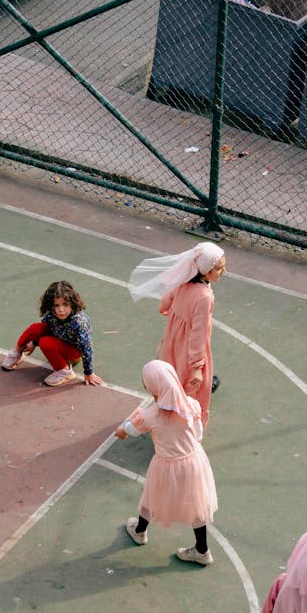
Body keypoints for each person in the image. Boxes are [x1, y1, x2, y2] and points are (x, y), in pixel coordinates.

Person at [114, 360, 217, 566]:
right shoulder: (191, 404)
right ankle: (202, 550)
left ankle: (140, 531)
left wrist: (121, 429)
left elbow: (126, 431)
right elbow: (198, 434)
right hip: (194, 461)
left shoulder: (149, 415)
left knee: (151, 497)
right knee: (197, 505)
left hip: (166, 464)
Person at [128, 242, 226, 430]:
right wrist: (198, 366)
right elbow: (198, 334)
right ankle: (189, 426)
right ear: (205, 271)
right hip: (190, 348)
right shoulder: (205, 296)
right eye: (219, 268)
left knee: (173, 377)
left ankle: (170, 411)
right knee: (193, 384)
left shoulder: (183, 282)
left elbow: (164, 304)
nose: (224, 271)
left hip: (172, 341)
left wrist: (177, 317)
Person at [1, 280, 103, 385]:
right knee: (35, 328)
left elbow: (87, 349)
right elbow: (43, 329)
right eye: (56, 305)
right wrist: (33, 343)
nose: (61, 310)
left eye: (65, 304)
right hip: (58, 338)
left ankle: (65, 371)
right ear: (51, 305)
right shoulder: (51, 314)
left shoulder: (78, 322)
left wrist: (89, 373)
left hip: (73, 352)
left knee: (45, 342)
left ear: (72, 304)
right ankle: (18, 352)